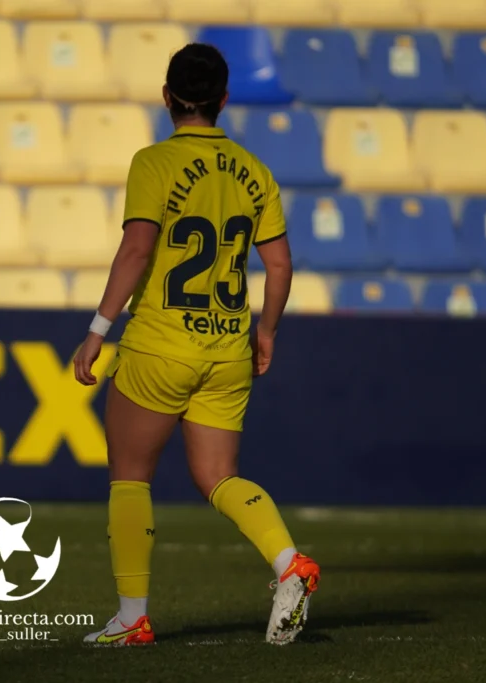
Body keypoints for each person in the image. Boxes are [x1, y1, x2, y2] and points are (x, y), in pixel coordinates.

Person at [74, 44, 320, 646]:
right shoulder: (254, 171)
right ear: (224, 100)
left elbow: (137, 249)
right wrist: (266, 330)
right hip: (228, 348)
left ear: (167, 97)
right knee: (218, 477)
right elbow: (280, 265)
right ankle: (289, 562)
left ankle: (132, 618)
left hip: (160, 345)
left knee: (130, 475)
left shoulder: (154, 162)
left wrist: (98, 330)